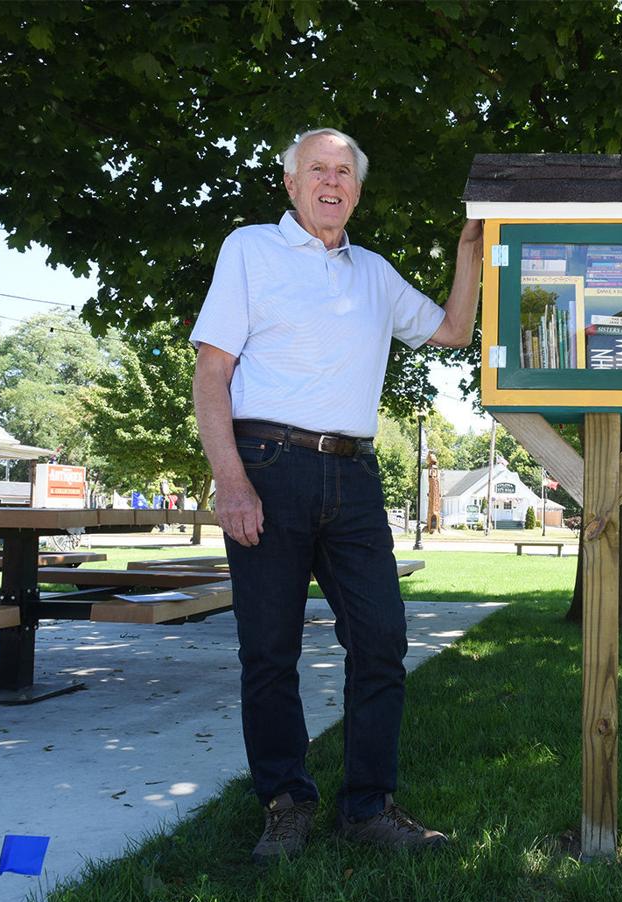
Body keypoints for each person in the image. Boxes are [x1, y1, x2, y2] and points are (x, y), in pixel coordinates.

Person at [191, 126, 482, 864]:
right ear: (290, 183)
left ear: (356, 187)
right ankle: (286, 804)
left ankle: (368, 808)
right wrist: (231, 482)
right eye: (317, 168)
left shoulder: (374, 272)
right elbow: (212, 372)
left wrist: (470, 252)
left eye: (345, 170)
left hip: (353, 477)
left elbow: (451, 331)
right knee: (269, 651)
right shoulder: (249, 249)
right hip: (267, 466)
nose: (332, 179)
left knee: (382, 641)